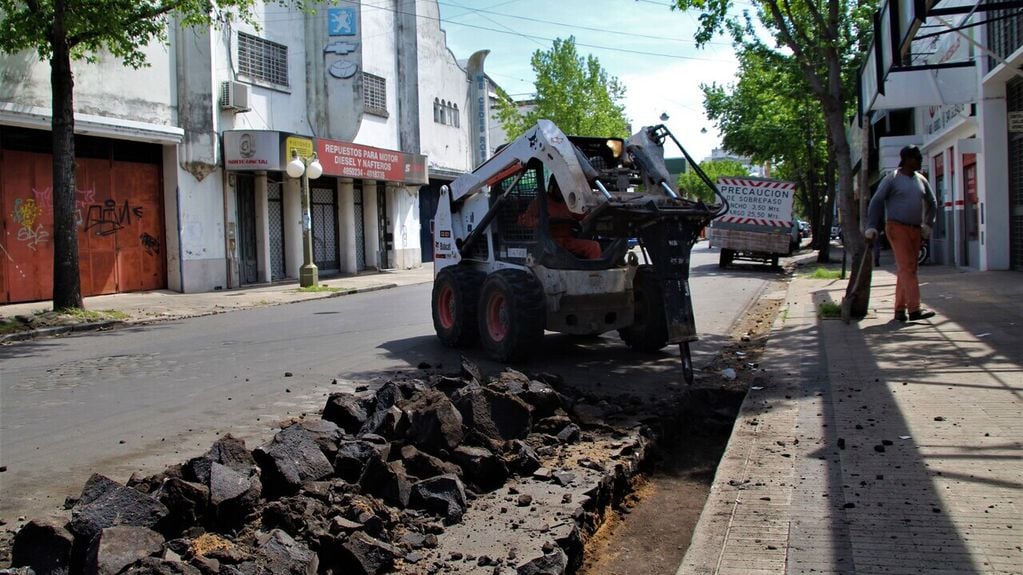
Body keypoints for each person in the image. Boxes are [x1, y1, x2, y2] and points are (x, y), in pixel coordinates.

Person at [865, 145, 938, 322]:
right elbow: (876, 201)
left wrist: (927, 224)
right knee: (907, 268)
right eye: (917, 158)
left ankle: (899, 310)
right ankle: (914, 309)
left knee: (909, 269)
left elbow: (932, 202)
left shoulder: (920, 179)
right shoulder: (892, 179)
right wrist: (872, 225)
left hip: (915, 229)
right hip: (896, 227)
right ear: (906, 159)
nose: (920, 161)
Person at [518, 177, 602, 259]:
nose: (562, 192)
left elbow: (580, 216)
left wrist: (592, 212)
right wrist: (543, 221)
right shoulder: (540, 202)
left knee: (594, 247)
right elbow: (524, 221)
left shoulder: (568, 202)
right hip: (548, 242)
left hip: (567, 241)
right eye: (559, 189)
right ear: (552, 187)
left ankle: (595, 272)